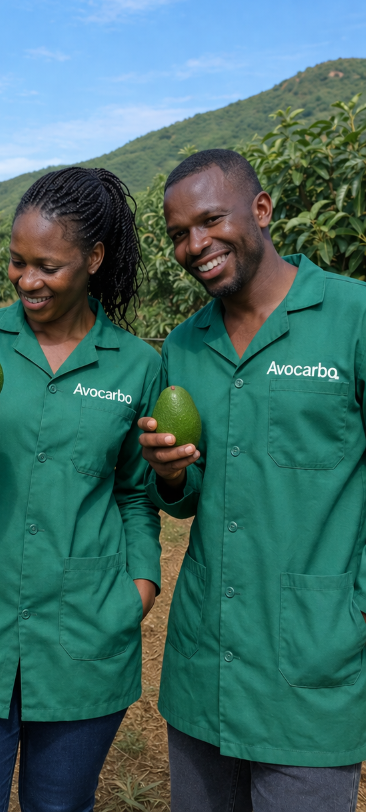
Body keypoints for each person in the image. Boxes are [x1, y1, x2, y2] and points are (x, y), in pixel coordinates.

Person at [0, 167, 162, 812]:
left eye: (47, 265)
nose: (27, 280)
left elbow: (136, 493)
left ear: (95, 259)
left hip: (85, 634)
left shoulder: (137, 365)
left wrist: (141, 584)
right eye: (17, 262)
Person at [138, 148, 366, 812]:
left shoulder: (351, 317)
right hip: (205, 662)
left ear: (261, 210)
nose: (194, 245)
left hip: (313, 666)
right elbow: (184, 499)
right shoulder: (183, 345)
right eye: (179, 233)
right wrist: (171, 476)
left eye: (209, 220)